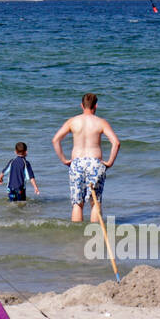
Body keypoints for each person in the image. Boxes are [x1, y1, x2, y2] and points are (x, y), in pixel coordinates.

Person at [52, 93, 120, 222]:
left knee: (77, 203)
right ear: (96, 106)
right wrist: (110, 162)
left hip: (77, 163)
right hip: (95, 163)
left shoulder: (73, 121)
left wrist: (64, 160)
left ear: (81, 105)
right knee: (95, 202)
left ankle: (77, 237)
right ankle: (93, 236)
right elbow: (116, 143)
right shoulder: (101, 122)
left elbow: (55, 140)